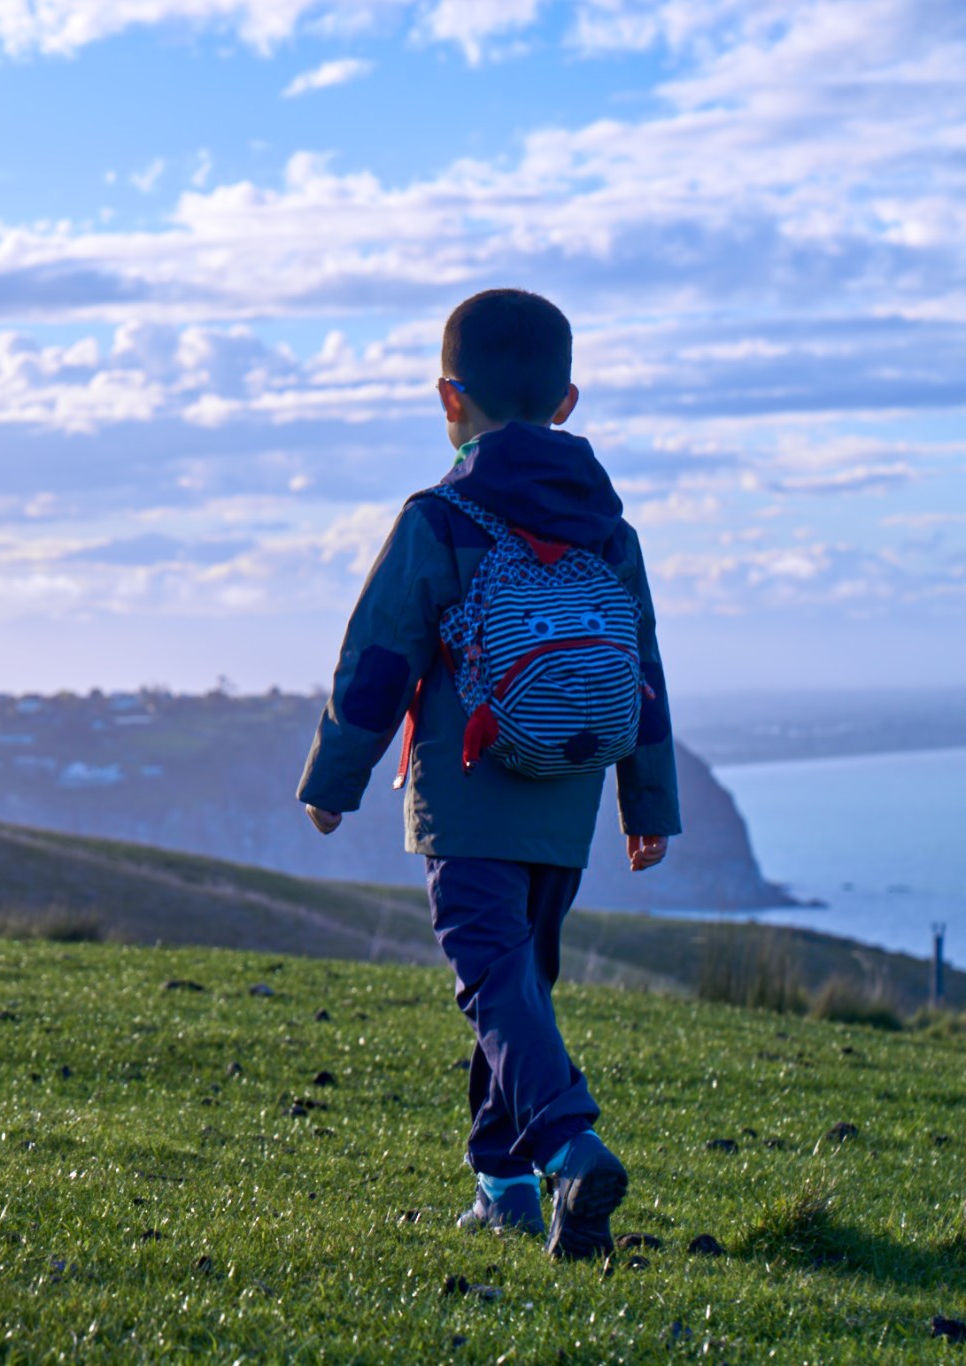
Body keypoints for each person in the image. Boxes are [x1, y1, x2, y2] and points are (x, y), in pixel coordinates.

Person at [296, 288, 681, 1261]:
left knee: (493, 983)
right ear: (567, 401)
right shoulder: (608, 532)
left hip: (464, 798)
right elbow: (640, 671)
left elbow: (378, 658)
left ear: (445, 398)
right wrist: (647, 801)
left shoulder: (441, 517)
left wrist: (333, 777)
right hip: (565, 793)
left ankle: (563, 1141)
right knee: (518, 984)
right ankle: (502, 1183)